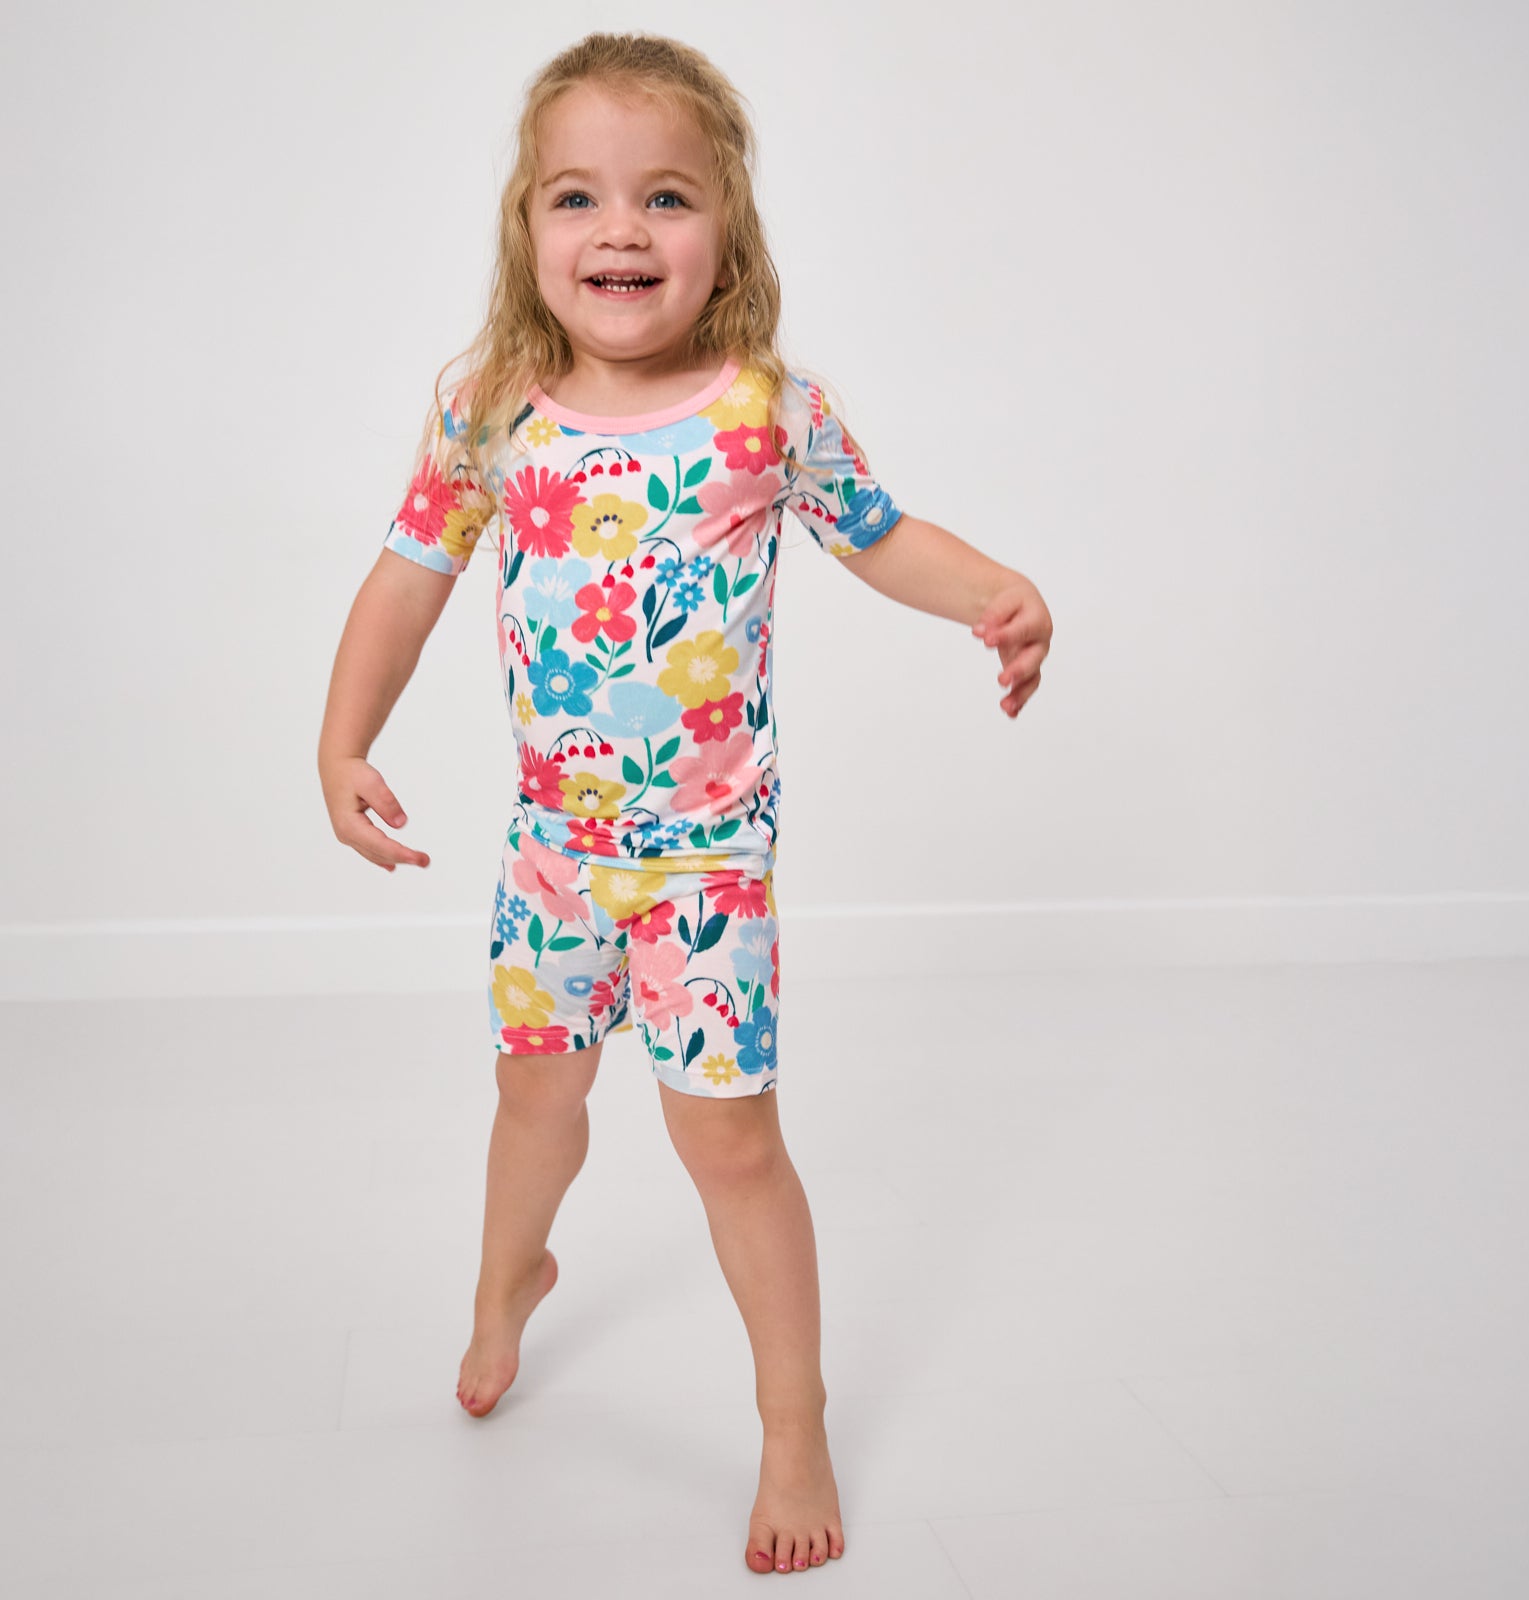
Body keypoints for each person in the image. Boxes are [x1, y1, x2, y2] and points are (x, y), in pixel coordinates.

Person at [317, 29, 1052, 1577]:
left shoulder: (764, 411)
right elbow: (407, 577)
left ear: (728, 229)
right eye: (577, 197)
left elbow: (882, 536)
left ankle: (794, 1417)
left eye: (666, 196)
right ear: (528, 226)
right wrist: (343, 739)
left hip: (708, 871)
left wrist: (993, 590)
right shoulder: (495, 408)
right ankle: (509, 1283)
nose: (623, 230)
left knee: (729, 1147)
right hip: (552, 859)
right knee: (536, 1104)